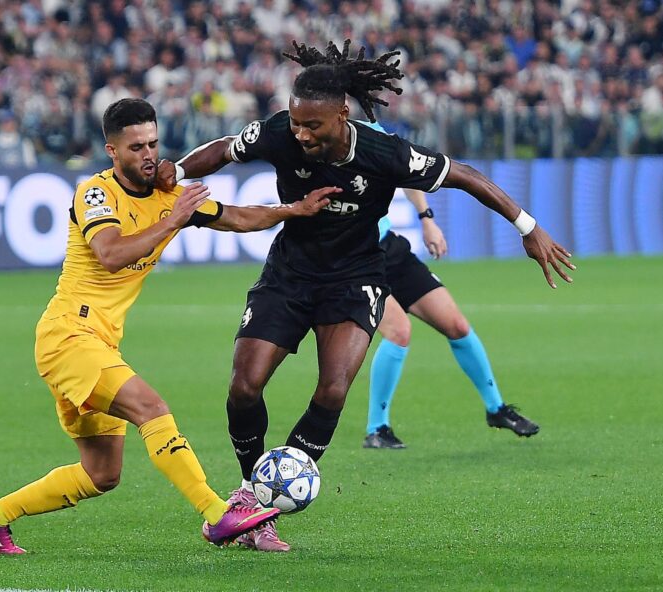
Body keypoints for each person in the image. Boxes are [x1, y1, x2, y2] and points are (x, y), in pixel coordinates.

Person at [158, 40, 574, 552]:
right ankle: (250, 492)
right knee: (244, 387)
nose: (302, 134)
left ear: (343, 113)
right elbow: (224, 149)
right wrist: (176, 171)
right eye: (296, 123)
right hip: (290, 273)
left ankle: (263, 505)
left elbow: (463, 175)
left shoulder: (385, 153)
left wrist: (526, 226)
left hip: (356, 276)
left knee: (333, 389)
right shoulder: (277, 132)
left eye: (314, 126)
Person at [0, 98, 339, 554]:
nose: (148, 154)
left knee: (102, 474)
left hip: (98, 342)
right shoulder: (96, 193)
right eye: (136, 146)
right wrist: (174, 220)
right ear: (112, 150)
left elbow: (237, 216)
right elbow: (112, 253)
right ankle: (218, 515)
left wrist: (293, 210)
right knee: (152, 409)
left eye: (153, 143)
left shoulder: (167, 196)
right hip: (68, 336)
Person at [359, 121, 539, 449]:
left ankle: (496, 408)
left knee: (456, 325)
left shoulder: (371, 132)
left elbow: (405, 171)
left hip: (389, 248)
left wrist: (426, 218)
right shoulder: (316, 145)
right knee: (399, 332)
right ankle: (377, 428)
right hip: (353, 261)